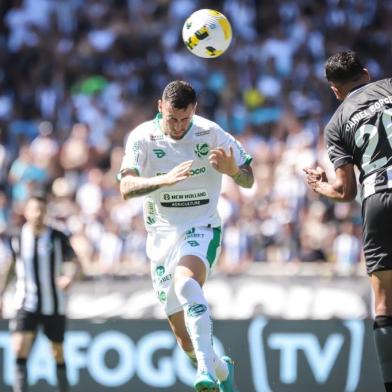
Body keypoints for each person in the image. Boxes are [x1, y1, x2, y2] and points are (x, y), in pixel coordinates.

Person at [119, 80, 254, 392]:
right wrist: (162, 180)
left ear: (194, 111)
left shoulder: (211, 133)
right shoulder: (142, 137)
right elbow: (126, 188)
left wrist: (234, 171)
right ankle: (221, 369)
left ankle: (206, 368)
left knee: (186, 281)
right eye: (172, 119)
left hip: (202, 227)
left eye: (185, 119)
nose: (179, 127)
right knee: (184, 341)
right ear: (160, 108)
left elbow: (248, 178)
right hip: (161, 236)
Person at [304, 50, 392, 391]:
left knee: (385, 301)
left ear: (334, 90)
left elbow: (344, 190)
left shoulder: (337, 123)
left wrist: (320, 185)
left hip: (378, 199)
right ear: (366, 74)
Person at [0, 190, 80, 392]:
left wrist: (69, 276)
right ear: (26, 212)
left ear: (46, 212)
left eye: (41, 210)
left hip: (53, 304)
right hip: (26, 303)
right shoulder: (17, 237)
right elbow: (10, 267)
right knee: (19, 348)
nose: (37, 213)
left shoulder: (58, 237)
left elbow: (73, 262)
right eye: (34, 209)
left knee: (57, 352)